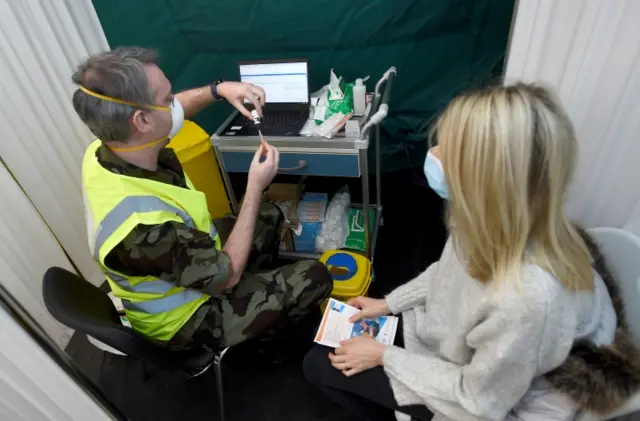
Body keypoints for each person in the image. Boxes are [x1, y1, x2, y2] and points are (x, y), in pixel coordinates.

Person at [303, 83, 637, 421]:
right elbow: (448, 272)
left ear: (484, 176)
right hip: (462, 349)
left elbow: (479, 400)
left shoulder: (528, 300)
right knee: (332, 344)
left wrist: (384, 356)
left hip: (490, 400)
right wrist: (388, 304)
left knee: (319, 365)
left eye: (449, 149)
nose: (434, 154)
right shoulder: (494, 219)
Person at [74, 47, 332, 353]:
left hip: (192, 264)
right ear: (142, 121)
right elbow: (227, 275)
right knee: (315, 275)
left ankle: (264, 305)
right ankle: (266, 346)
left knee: (270, 216)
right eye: (167, 99)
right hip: (188, 320)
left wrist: (218, 90)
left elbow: (169, 113)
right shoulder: (142, 230)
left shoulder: (108, 145)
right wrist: (253, 188)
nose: (175, 104)